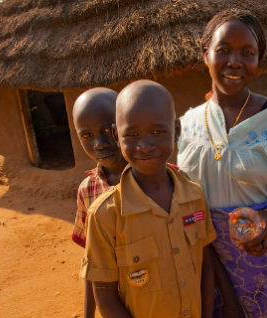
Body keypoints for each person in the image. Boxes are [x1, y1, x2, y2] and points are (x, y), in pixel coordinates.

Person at [177, 9, 267, 318]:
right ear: (205, 54)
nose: (234, 61)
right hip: (204, 262)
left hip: (263, 261)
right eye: (223, 50)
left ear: (258, 60)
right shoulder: (188, 124)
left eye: (247, 53)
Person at [79, 80, 217, 318]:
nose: (144, 146)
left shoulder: (194, 196)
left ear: (176, 130)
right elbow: (105, 295)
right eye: (131, 134)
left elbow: (205, 266)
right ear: (116, 134)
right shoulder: (104, 215)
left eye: (158, 132)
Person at [71, 87, 127, 318]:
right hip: (115, 305)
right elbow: (93, 263)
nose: (99, 143)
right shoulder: (88, 191)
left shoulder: (159, 180)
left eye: (107, 130)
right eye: (87, 135)